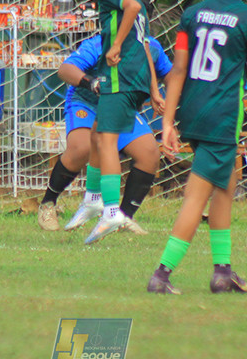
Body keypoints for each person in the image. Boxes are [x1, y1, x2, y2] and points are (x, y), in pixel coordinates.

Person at [148, 0, 247, 295]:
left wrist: (168, 121)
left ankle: (223, 271)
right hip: (222, 117)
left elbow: (180, 69)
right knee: (195, 198)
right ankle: (162, 273)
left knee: (225, 189)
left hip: (193, 110)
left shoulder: (193, 14)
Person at [35, 33, 173, 233]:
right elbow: (65, 70)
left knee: (150, 154)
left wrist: (163, 99)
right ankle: (48, 203)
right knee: (82, 147)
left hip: (121, 107)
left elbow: (170, 75)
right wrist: (91, 82)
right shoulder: (99, 43)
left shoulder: (151, 46)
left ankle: (122, 218)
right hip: (87, 103)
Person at [83, 0, 164, 244]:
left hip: (120, 77)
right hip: (138, 78)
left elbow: (132, 10)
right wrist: (155, 89)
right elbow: (145, 44)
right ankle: (92, 199)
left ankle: (111, 210)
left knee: (106, 140)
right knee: (96, 133)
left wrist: (115, 45)